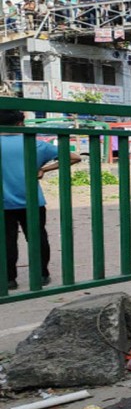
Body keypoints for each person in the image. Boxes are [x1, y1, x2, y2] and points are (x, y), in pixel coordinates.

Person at [1, 110, 81, 289]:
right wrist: (44, 169)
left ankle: (8, 279)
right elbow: (74, 157)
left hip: (3, 202)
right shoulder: (34, 144)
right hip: (32, 201)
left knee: (6, 240)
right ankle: (41, 274)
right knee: (37, 237)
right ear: (20, 124)